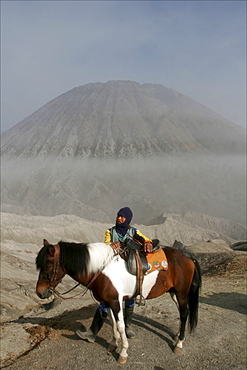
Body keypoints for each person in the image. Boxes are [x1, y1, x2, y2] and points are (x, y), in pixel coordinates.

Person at [76, 207, 153, 342]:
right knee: (105, 300)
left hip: (127, 268)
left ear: (127, 219)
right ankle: (92, 332)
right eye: (118, 216)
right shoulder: (110, 232)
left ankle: (127, 327)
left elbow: (145, 239)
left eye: (122, 217)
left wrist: (147, 242)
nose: (119, 219)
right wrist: (112, 245)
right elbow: (106, 246)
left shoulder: (133, 231)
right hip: (113, 269)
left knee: (129, 299)